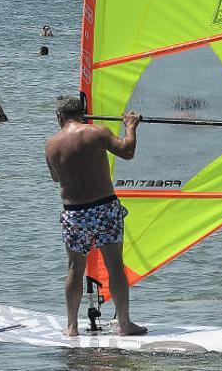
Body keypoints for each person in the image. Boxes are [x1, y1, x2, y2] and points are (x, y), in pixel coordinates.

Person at [44, 95, 146, 337]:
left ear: (60, 117)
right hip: (103, 208)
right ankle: (124, 324)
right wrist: (130, 127)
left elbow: (56, 178)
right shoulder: (98, 132)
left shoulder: (51, 145)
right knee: (114, 267)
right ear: (82, 113)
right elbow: (127, 151)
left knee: (74, 268)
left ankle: (72, 327)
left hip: (73, 213)